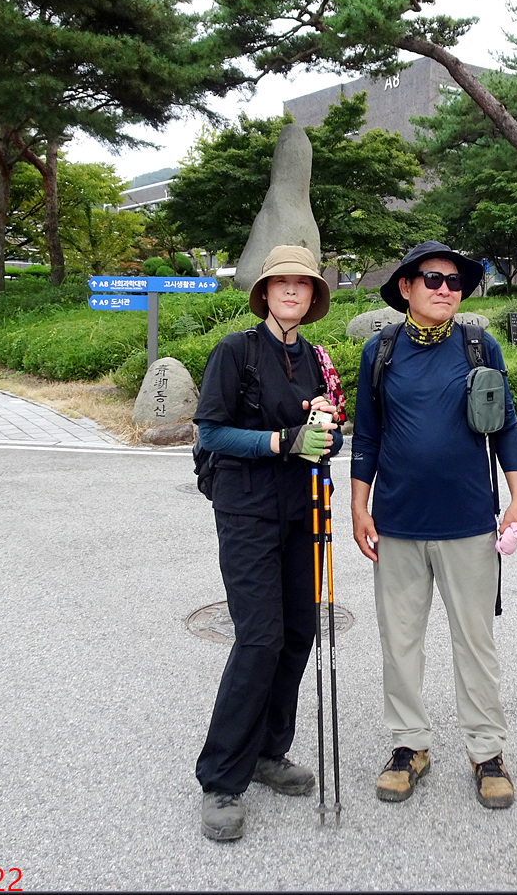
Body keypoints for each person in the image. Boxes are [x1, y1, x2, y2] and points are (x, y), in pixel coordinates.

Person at [349, 240, 517, 810]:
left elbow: (505, 426)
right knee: (399, 640)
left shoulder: (479, 346)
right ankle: (410, 745)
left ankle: (487, 752)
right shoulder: (380, 350)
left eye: (454, 281)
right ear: (406, 287)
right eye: (433, 279)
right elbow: (367, 435)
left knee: (475, 642)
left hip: (469, 521)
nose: (446, 289)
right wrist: (358, 506)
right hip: (397, 521)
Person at [191, 245, 345, 842]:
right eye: (281, 283)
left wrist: (324, 431)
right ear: (264, 293)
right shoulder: (235, 351)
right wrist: (282, 442)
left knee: (299, 631)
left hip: (302, 510)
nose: (291, 291)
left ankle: (268, 752)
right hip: (247, 510)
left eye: (302, 284)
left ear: (313, 297)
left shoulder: (316, 359)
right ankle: (221, 778)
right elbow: (212, 431)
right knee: (259, 638)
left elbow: (327, 437)